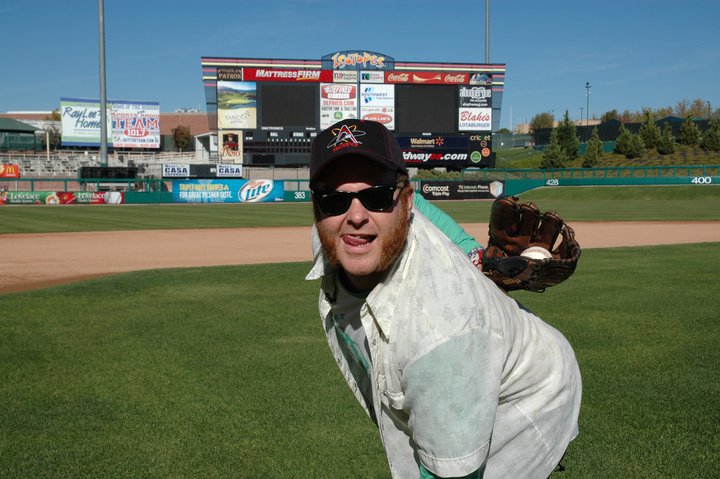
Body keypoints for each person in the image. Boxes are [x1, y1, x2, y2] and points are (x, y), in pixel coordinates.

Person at [305, 119, 582, 479]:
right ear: (317, 208)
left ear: (404, 203)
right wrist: (478, 258)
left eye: (376, 197)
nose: (355, 216)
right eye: (335, 200)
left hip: (532, 396)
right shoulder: (337, 232)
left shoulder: (442, 330)